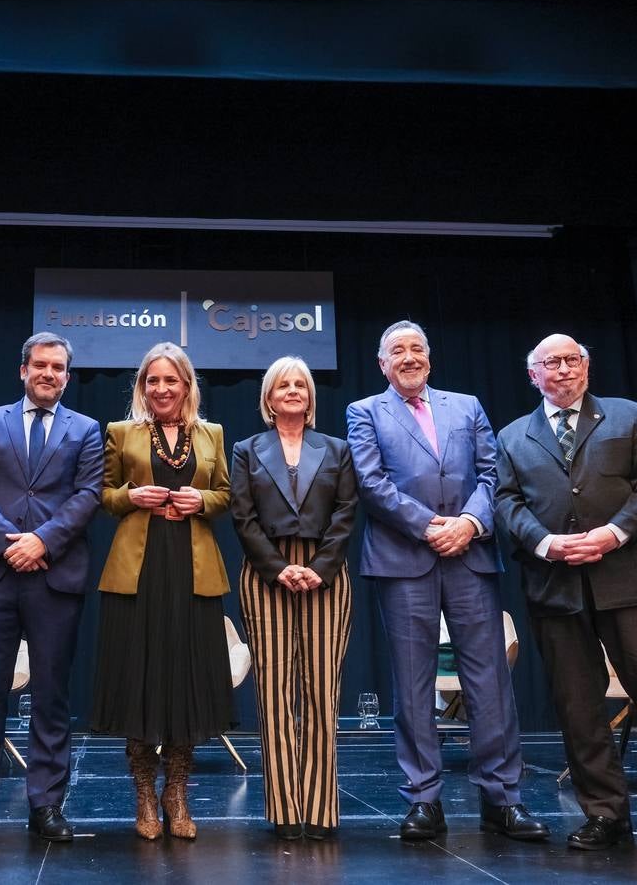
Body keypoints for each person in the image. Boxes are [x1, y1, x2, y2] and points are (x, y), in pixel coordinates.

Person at [494, 333, 637, 863]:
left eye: (572, 359)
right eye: (551, 362)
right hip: (555, 587)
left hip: (632, 582)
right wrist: (546, 543)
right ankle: (604, 815)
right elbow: (506, 502)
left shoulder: (629, 416)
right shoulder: (512, 436)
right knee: (579, 709)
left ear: (586, 367)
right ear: (533, 375)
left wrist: (613, 533)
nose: (563, 369)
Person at [346, 320, 548, 842]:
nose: (408, 357)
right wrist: (430, 526)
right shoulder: (365, 411)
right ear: (382, 364)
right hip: (403, 559)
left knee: (490, 681)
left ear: (429, 359)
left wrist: (470, 523)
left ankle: (503, 800)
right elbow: (371, 482)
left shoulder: (467, 406)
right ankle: (424, 801)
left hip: (470, 554)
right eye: (397, 351)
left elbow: (493, 475)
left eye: (417, 348)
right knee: (414, 685)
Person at [0, 333, 103, 845]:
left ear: (67, 377)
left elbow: (89, 493)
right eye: (40, 365)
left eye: (58, 367)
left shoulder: (86, 429)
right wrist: (8, 544)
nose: (48, 373)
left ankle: (46, 804)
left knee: (51, 694)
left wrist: (42, 541)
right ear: (23, 370)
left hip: (55, 573)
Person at [91, 342, 236, 841]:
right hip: (137, 572)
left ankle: (176, 793)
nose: (161, 388)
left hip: (193, 573)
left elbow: (226, 494)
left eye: (171, 380)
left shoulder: (212, 434)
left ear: (187, 385)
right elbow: (103, 495)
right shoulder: (121, 432)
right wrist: (131, 495)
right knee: (138, 682)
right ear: (142, 386)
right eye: (152, 380)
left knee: (185, 684)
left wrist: (203, 500)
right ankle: (143, 795)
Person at [230, 356, 357, 841]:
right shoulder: (246, 450)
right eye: (283, 385)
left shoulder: (337, 449)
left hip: (326, 573)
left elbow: (345, 514)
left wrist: (318, 568)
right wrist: (278, 567)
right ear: (268, 397)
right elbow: (242, 518)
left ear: (310, 396)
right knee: (275, 693)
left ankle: (321, 810)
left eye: (300, 384)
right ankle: (285, 808)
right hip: (267, 574)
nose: (292, 390)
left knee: (322, 692)